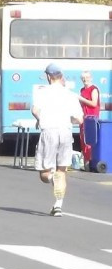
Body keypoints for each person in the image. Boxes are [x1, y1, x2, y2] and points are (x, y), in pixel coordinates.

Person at [32, 63, 83, 217]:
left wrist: (40, 119)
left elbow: (35, 110)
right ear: (61, 77)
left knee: (44, 172)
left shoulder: (43, 92)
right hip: (66, 132)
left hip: (49, 132)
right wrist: (68, 120)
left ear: (48, 77)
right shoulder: (70, 94)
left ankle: (51, 178)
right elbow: (79, 119)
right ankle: (58, 206)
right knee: (62, 171)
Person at [78, 71, 100, 170]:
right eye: (83, 78)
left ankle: (92, 163)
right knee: (83, 140)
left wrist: (81, 99)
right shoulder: (82, 90)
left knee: (91, 141)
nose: (85, 79)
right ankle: (86, 165)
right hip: (84, 117)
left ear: (91, 78)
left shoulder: (94, 89)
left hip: (92, 118)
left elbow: (94, 103)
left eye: (87, 77)